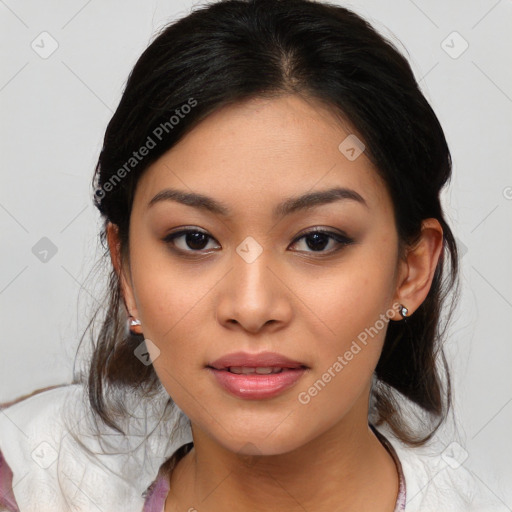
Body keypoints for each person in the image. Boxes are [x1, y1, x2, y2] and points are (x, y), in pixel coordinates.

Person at [0, 0, 507, 510]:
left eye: (317, 240)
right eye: (194, 239)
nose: (251, 306)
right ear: (126, 268)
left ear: (410, 271)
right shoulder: (33, 484)